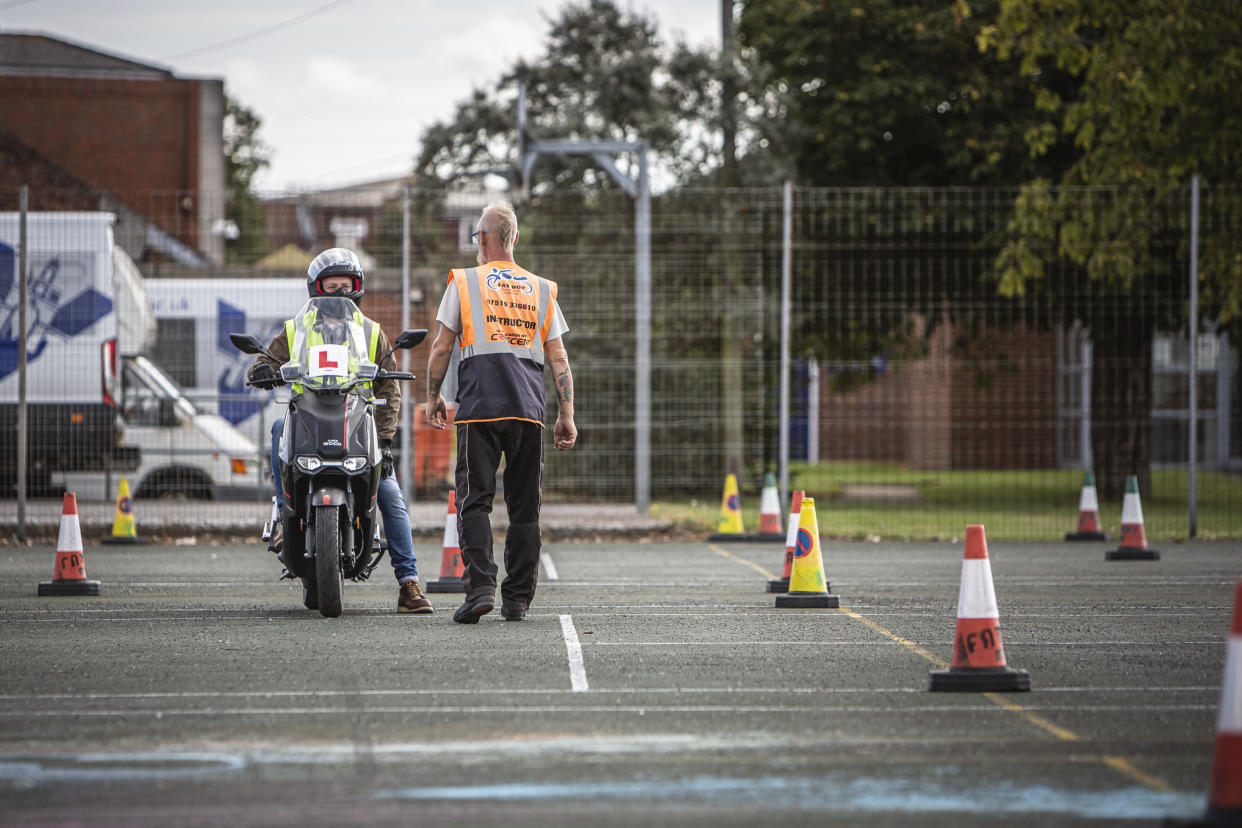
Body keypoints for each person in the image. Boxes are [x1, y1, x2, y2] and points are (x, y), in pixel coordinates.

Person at [247, 247, 432, 614]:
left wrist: (385, 440)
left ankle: (409, 584)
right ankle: (286, 516)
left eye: (346, 288)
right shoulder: (295, 330)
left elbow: (389, 389)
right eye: (330, 288)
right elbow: (264, 361)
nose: (338, 295)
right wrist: (262, 371)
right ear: (316, 290)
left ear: (357, 289)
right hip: (308, 419)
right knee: (276, 427)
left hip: (358, 422)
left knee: (391, 496)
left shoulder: (371, 333)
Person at [426, 200, 576, 624]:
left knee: (475, 501)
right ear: (515, 239)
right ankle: (517, 599)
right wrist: (567, 414)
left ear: (485, 239)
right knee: (525, 508)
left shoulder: (465, 282)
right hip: (528, 410)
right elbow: (559, 359)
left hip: (478, 408)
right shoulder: (541, 288)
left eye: (477, 237)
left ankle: (480, 591)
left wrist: (432, 395)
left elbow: (441, 347)